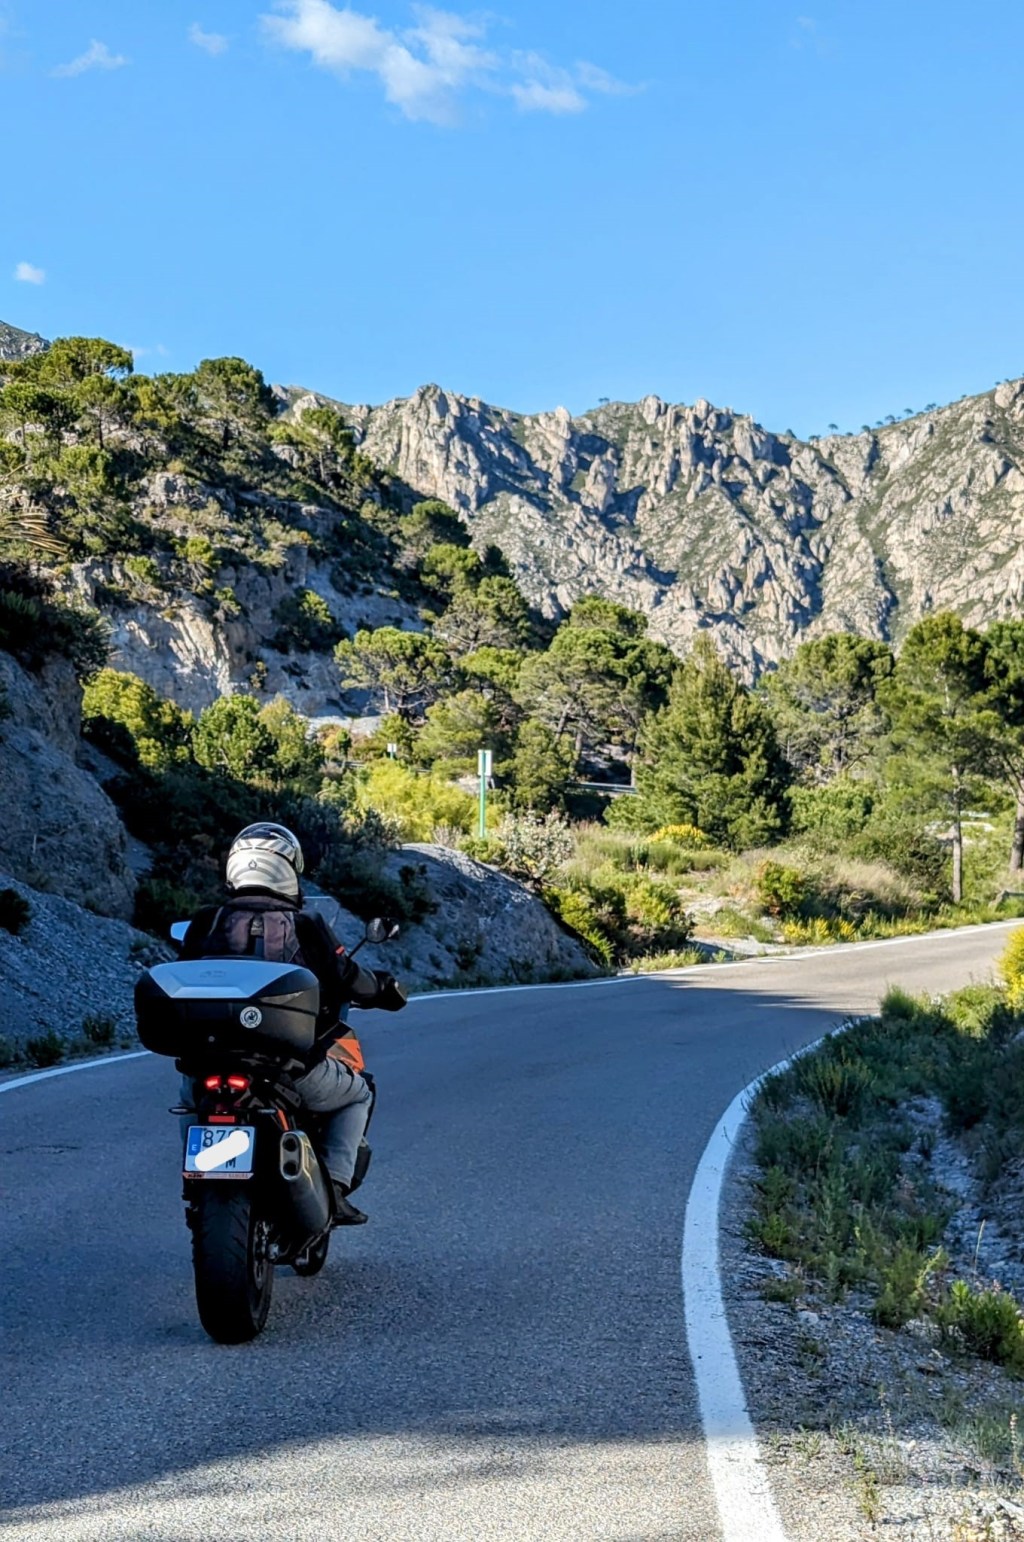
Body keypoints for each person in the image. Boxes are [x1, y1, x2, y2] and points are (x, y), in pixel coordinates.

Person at [178, 821, 406, 1225]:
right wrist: (384, 987)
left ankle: (197, 1186)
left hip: (208, 1066)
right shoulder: (305, 926)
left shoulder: (205, 923)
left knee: (187, 1102)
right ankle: (334, 1188)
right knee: (358, 1093)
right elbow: (347, 977)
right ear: (287, 868)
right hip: (289, 1069)